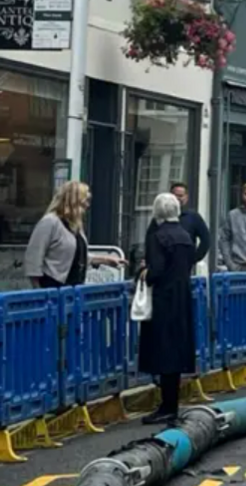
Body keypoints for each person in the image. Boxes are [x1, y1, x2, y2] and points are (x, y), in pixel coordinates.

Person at [138, 193, 198, 426]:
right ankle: (172, 404)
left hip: (163, 300)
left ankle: (166, 406)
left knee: (162, 351)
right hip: (181, 298)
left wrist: (144, 272)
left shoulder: (158, 236)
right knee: (175, 352)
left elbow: (157, 270)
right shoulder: (184, 236)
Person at [23, 181, 126, 289]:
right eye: (85, 201)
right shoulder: (50, 222)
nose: (87, 205)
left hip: (73, 287)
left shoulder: (75, 225)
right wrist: (39, 290)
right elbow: (33, 259)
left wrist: (106, 260)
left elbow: (76, 257)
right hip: (52, 287)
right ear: (74, 201)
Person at [146, 182, 210, 266]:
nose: (177, 199)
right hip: (162, 265)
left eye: (181, 196)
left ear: (186, 198)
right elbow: (150, 239)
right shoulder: (159, 218)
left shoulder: (193, 217)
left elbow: (206, 239)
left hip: (184, 265)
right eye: (175, 195)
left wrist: (194, 258)